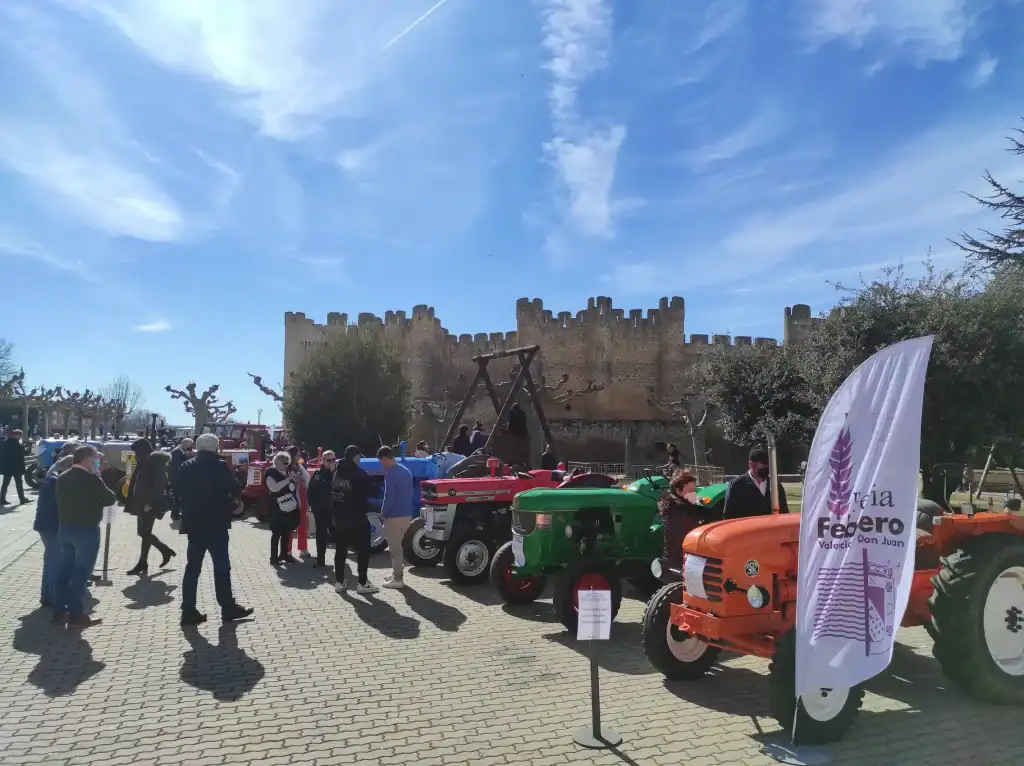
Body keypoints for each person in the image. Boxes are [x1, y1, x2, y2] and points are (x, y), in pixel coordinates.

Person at [175, 433, 254, 626]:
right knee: (221, 567)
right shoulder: (219, 467)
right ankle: (227, 607)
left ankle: (188, 610)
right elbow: (235, 489)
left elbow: (176, 490)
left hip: (194, 524)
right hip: (216, 523)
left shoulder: (186, 466)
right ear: (215, 448)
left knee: (192, 568)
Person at [53, 445, 116, 628]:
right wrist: (98, 477)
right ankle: (76, 615)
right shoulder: (91, 478)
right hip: (86, 530)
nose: (98, 461)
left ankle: (59, 610)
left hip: (65, 528)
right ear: (88, 459)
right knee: (80, 574)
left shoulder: (63, 477)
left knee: (64, 571)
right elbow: (110, 498)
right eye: (96, 458)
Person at [125, 438, 176, 575]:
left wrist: (150, 503)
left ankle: (155, 556)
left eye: (136, 452)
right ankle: (149, 559)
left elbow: (158, 485)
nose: (135, 455)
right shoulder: (144, 462)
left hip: (149, 504)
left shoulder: (153, 463)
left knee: (144, 532)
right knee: (143, 532)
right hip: (142, 502)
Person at [331, 446, 378, 594]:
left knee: (341, 551)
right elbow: (371, 492)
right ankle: (362, 583)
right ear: (355, 457)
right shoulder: (359, 473)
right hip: (358, 518)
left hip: (339, 518)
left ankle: (339, 582)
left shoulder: (337, 473)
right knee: (363, 552)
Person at [34, 454, 73, 608]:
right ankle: (51, 597)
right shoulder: (56, 481)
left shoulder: (52, 478)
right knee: (54, 562)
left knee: (51, 560)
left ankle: (47, 594)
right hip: (52, 526)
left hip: (47, 525)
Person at [659, 469, 715, 569]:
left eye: (695, 490)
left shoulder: (681, 505)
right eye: (690, 491)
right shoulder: (676, 511)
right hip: (680, 563)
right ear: (678, 491)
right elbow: (692, 534)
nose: (694, 494)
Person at [378, 445, 413, 589]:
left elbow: (388, 496)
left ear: (386, 458)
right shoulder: (406, 471)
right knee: (399, 545)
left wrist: (383, 513)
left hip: (394, 515)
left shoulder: (390, 473)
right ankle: (395, 573)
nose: (382, 464)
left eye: (381, 461)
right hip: (406, 513)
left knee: (394, 547)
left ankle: (398, 578)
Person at [722, 446, 790, 520]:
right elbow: (729, 517)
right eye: (763, 465)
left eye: (768, 465)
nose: (766, 468)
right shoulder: (737, 486)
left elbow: (784, 513)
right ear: (751, 464)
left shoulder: (776, 486)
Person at [265, 451, 301, 566]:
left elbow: (292, 488)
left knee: (287, 531)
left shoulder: (287, 472)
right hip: (277, 508)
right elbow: (274, 488)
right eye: (284, 463)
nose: (286, 466)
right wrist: (287, 479)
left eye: (288, 463)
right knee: (276, 533)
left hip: (289, 507)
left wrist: (295, 482)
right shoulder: (270, 472)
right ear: (277, 462)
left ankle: (284, 554)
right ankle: (274, 557)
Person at [307, 450, 337, 568]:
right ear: (323, 461)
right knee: (321, 536)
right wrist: (313, 506)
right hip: (320, 510)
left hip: (335, 511)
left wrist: (333, 472)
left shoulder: (338, 473)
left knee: (338, 535)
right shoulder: (318, 473)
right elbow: (311, 491)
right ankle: (320, 561)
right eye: (329, 460)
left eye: (333, 460)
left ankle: (340, 560)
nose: (331, 462)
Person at [169, 438, 195, 521]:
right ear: (186, 444)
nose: (191, 446)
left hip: (177, 477)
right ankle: (175, 514)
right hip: (177, 477)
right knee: (177, 496)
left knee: (177, 496)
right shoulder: (177, 452)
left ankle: (176, 514)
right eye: (190, 444)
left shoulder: (180, 451)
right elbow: (177, 466)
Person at [1, 428, 28, 506]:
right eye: (20, 436)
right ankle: (22, 499)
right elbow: (19, 455)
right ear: (17, 435)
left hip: (8, 467)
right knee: (19, 484)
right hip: (15, 467)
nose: (20, 437)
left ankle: (2, 499)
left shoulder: (6, 442)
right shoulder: (15, 443)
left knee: (5, 483)